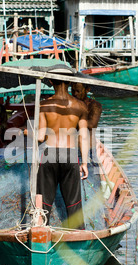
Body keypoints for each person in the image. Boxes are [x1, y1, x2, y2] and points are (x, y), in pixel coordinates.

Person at [35, 78, 90, 230]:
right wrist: (84, 163)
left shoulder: (44, 105)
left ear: (51, 82)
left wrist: (25, 132)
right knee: (73, 202)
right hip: (70, 154)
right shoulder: (80, 106)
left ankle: (41, 234)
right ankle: (78, 236)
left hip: (49, 153)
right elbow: (83, 136)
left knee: (44, 201)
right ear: (70, 82)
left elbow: (40, 137)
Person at [71, 82, 102, 148]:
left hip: (88, 147)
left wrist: (70, 121)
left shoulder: (94, 105)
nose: (75, 94)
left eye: (78, 91)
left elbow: (91, 124)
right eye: (73, 91)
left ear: (87, 90)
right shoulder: (70, 104)